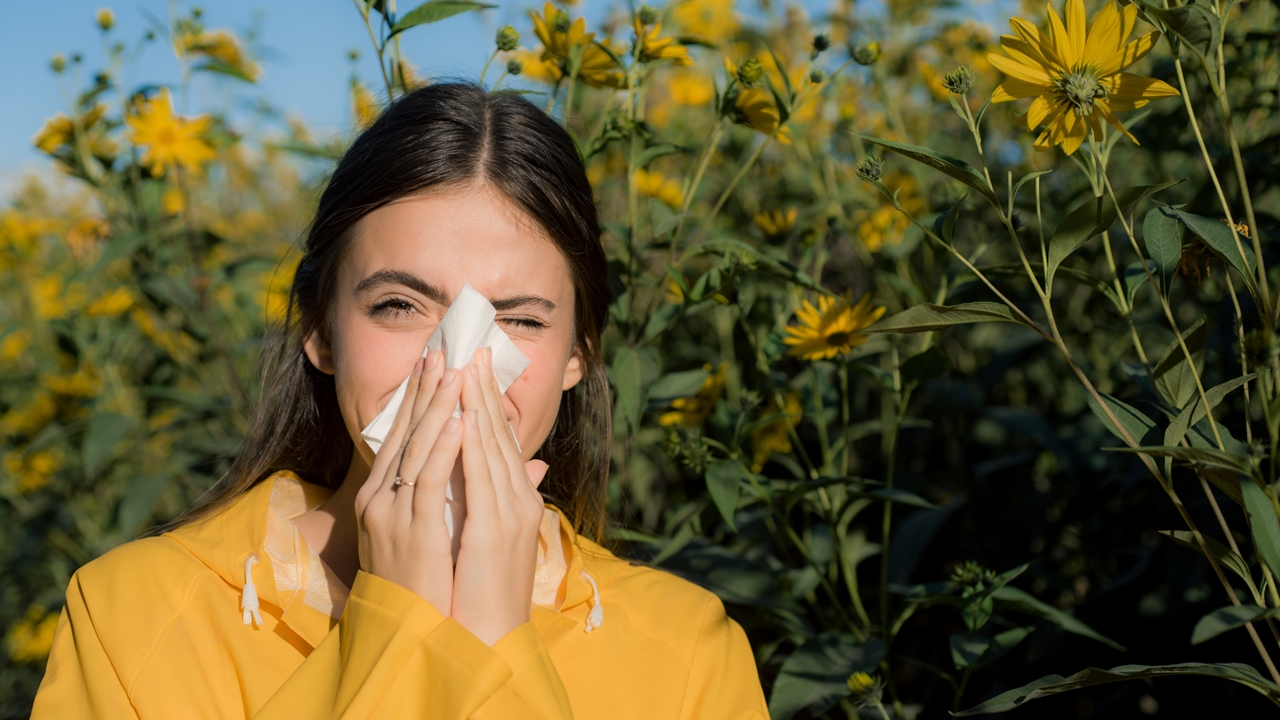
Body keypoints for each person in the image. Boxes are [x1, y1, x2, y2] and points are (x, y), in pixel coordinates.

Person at [31, 82, 767, 719]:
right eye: (399, 306)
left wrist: (487, 628)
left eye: (518, 320)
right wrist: (396, 619)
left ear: (578, 356)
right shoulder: (131, 615)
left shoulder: (689, 652)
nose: (459, 366)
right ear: (319, 329)